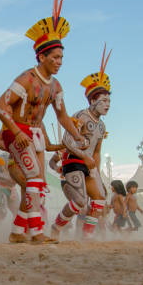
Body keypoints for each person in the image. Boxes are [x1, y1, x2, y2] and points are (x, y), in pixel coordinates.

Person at [0, 0, 85, 244]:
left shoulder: (55, 86)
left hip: (35, 136)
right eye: (55, 57)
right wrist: (14, 133)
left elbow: (63, 117)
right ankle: (36, 233)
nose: (59, 62)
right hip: (17, 132)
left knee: (38, 185)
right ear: (42, 57)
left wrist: (77, 137)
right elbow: (0, 106)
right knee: (33, 179)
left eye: (61, 58)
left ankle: (16, 232)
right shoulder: (26, 79)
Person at [50, 45, 112, 240]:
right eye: (103, 100)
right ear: (92, 100)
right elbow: (67, 140)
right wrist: (84, 157)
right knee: (79, 201)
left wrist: (97, 171)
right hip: (74, 162)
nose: (107, 104)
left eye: (109, 101)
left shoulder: (101, 127)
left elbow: (97, 151)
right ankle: (55, 228)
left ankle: (86, 237)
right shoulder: (80, 116)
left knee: (100, 199)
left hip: (88, 165)